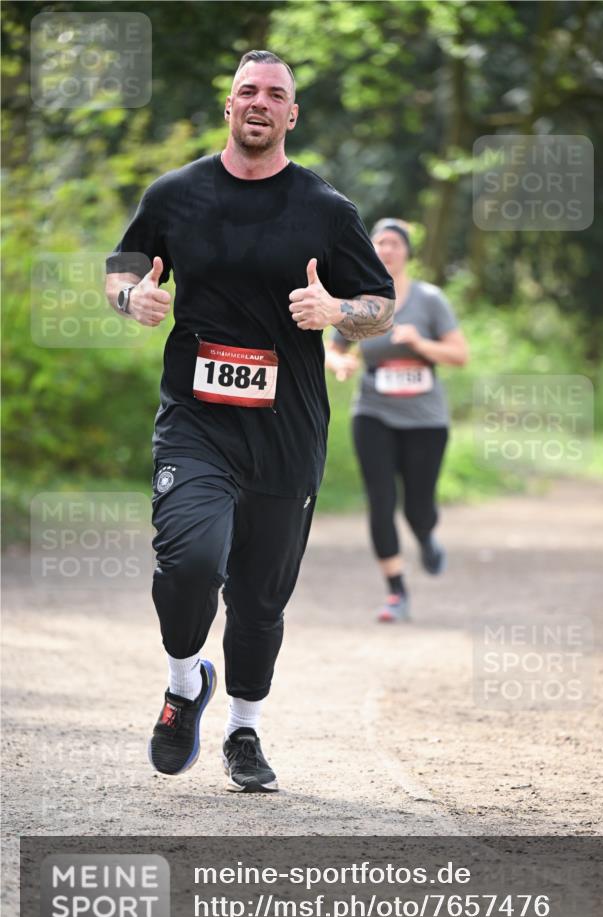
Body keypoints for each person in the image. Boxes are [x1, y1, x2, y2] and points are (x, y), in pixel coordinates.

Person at [105, 51, 395, 791]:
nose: (259, 102)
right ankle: (181, 685)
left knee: (260, 599)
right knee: (190, 562)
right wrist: (130, 298)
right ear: (228, 106)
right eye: (246, 91)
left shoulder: (326, 211)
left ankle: (243, 731)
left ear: (292, 114)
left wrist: (337, 313)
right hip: (196, 421)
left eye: (275, 94)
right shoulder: (176, 193)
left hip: (287, 429)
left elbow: (379, 304)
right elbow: (123, 262)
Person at [326, 218, 468, 623]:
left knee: (417, 507)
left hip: (426, 419)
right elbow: (334, 348)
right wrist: (340, 364)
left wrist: (420, 343)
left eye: (394, 243)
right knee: (381, 501)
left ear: (407, 251)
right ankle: (396, 592)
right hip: (373, 412)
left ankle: (425, 535)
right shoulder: (363, 299)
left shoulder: (430, 299)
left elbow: (460, 355)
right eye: (380, 243)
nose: (387, 249)